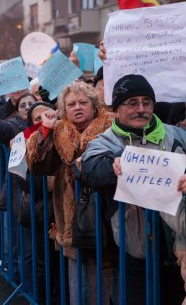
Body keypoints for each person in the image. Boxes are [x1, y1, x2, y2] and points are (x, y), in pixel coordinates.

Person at [81, 74, 186, 305]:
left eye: (146, 102)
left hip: (179, 253)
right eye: (132, 103)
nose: (141, 109)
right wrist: (115, 165)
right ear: (117, 109)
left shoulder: (178, 136)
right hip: (137, 253)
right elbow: (91, 170)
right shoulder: (104, 141)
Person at [26, 80, 115, 304]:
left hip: (105, 218)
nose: (77, 107)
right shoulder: (58, 132)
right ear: (64, 109)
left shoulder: (113, 127)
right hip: (71, 221)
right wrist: (44, 131)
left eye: (83, 102)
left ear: (95, 106)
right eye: (71, 103)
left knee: (106, 282)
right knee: (78, 286)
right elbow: (37, 166)